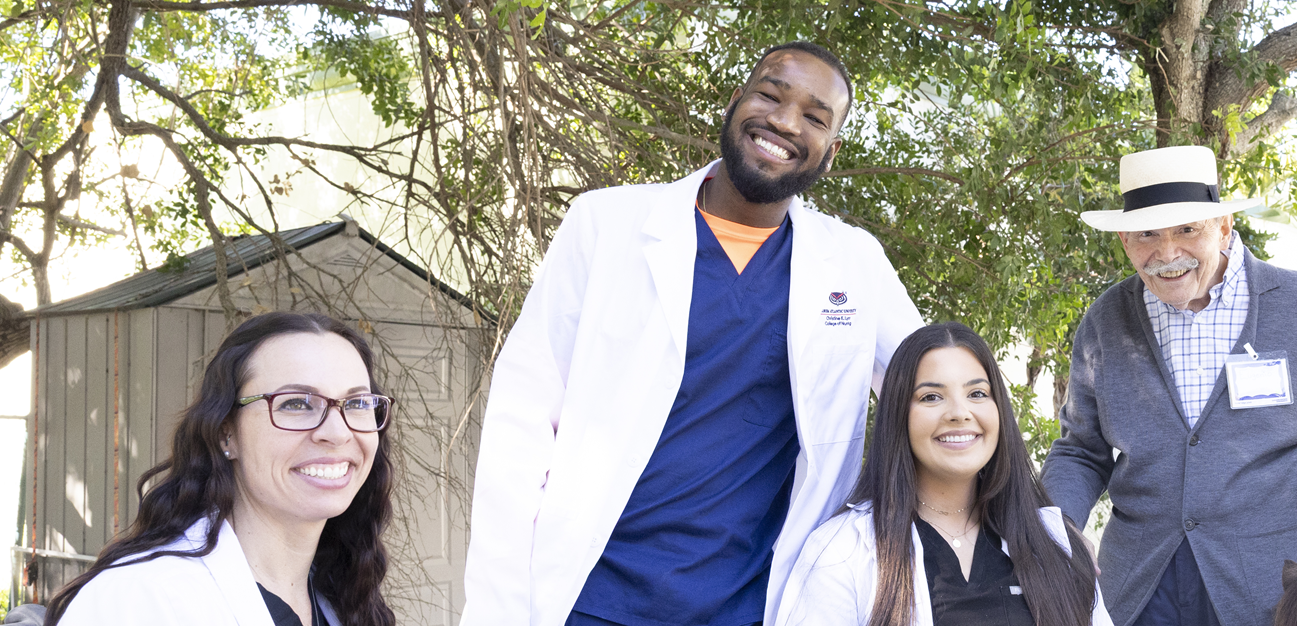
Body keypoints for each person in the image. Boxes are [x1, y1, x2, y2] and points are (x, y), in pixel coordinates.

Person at [462, 40, 924, 626]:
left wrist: (1022, 532)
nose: (784, 122)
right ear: (734, 104)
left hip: (751, 608)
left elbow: (936, 393)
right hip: (588, 601)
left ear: (829, 153)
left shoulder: (854, 264)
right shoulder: (606, 224)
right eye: (770, 95)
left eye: (814, 117)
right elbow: (522, 424)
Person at [1040, 145, 1297, 626]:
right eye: (1147, 234)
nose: (1167, 254)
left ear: (1224, 226)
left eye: (1187, 229)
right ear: (1126, 239)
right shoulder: (1106, 320)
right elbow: (1081, 450)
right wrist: (1054, 524)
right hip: (1144, 591)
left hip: (1284, 593)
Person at [46, 312, 395, 626]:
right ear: (226, 432)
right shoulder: (139, 599)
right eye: (297, 403)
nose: (337, 433)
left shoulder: (343, 597)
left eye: (357, 403)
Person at [774, 322, 1112, 626]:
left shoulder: (1054, 543)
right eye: (931, 396)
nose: (959, 413)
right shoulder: (841, 552)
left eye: (977, 393)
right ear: (898, 416)